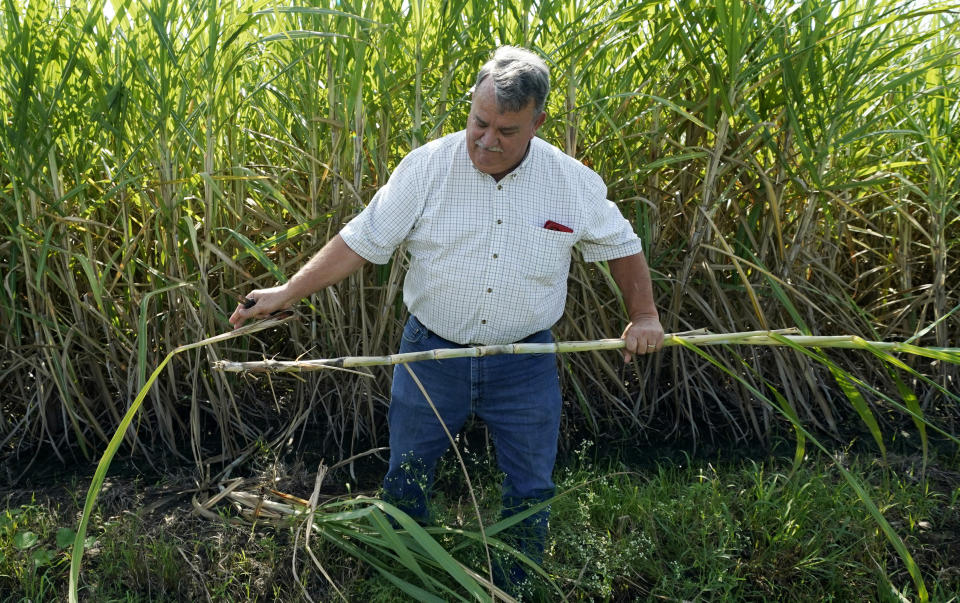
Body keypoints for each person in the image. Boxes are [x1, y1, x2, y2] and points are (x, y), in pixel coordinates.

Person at [229, 45, 664, 591]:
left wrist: (644, 316)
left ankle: (516, 583)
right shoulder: (428, 167)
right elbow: (362, 241)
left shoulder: (570, 181)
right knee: (407, 472)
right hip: (430, 357)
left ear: (538, 122)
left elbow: (621, 246)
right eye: (478, 122)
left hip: (524, 361)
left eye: (506, 130)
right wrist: (286, 291)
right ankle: (402, 572)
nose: (486, 140)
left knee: (530, 484)